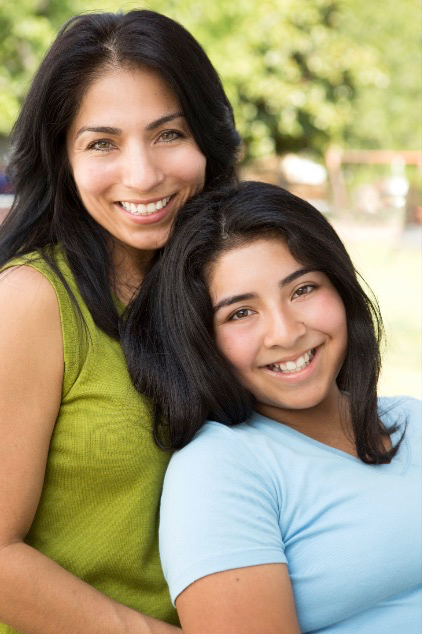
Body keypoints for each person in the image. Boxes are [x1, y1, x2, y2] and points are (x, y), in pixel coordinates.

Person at [0, 9, 240, 634]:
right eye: (102, 142)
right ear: (63, 158)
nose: (143, 175)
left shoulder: (230, 284)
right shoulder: (32, 301)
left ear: (207, 141)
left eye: (168, 134)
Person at [123, 181, 422, 633]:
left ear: (340, 288)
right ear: (203, 340)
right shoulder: (221, 469)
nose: (284, 332)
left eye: (302, 289)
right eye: (240, 313)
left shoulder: (411, 420)